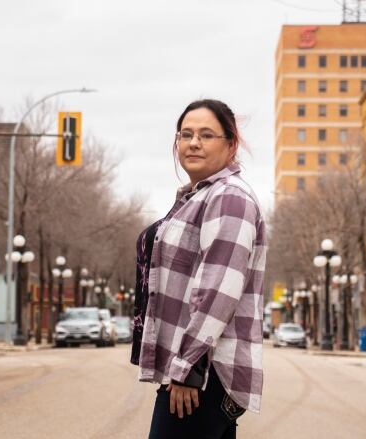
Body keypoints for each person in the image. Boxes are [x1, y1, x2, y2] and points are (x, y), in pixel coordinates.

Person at [131, 99, 267, 439]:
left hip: (204, 373)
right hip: (197, 371)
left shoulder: (230, 198)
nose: (194, 142)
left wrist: (189, 369)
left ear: (231, 144)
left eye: (207, 135)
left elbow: (217, 292)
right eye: (186, 134)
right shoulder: (198, 197)